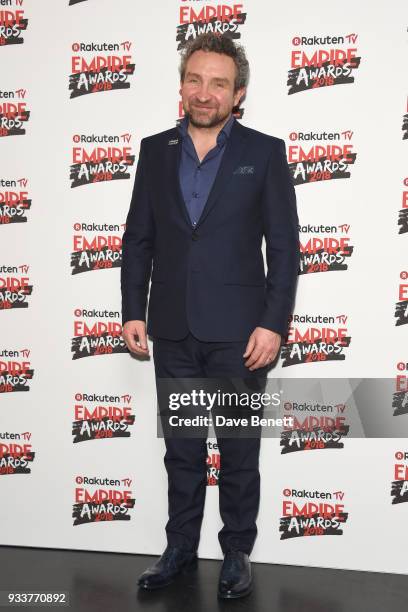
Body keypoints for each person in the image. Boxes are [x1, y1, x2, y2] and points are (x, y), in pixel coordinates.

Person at [121, 32, 300, 600]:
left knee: (240, 450)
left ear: (237, 94)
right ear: (181, 87)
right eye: (195, 80)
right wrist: (133, 310)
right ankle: (178, 548)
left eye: (218, 83)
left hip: (242, 335)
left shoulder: (264, 153)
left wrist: (273, 323)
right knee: (182, 449)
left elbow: (286, 247)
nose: (205, 92)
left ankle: (237, 552)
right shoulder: (154, 150)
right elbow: (137, 240)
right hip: (171, 329)